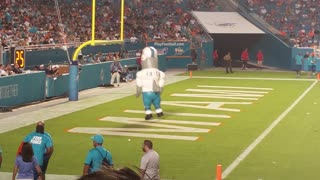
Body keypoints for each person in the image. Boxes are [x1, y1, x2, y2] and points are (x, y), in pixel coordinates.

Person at [136, 46, 165, 120]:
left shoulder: (141, 73)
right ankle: (159, 111)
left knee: (147, 104)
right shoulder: (159, 72)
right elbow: (161, 81)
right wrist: (161, 87)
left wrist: (138, 91)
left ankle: (148, 114)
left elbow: (139, 84)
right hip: (156, 92)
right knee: (157, 103)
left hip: (146, 92)